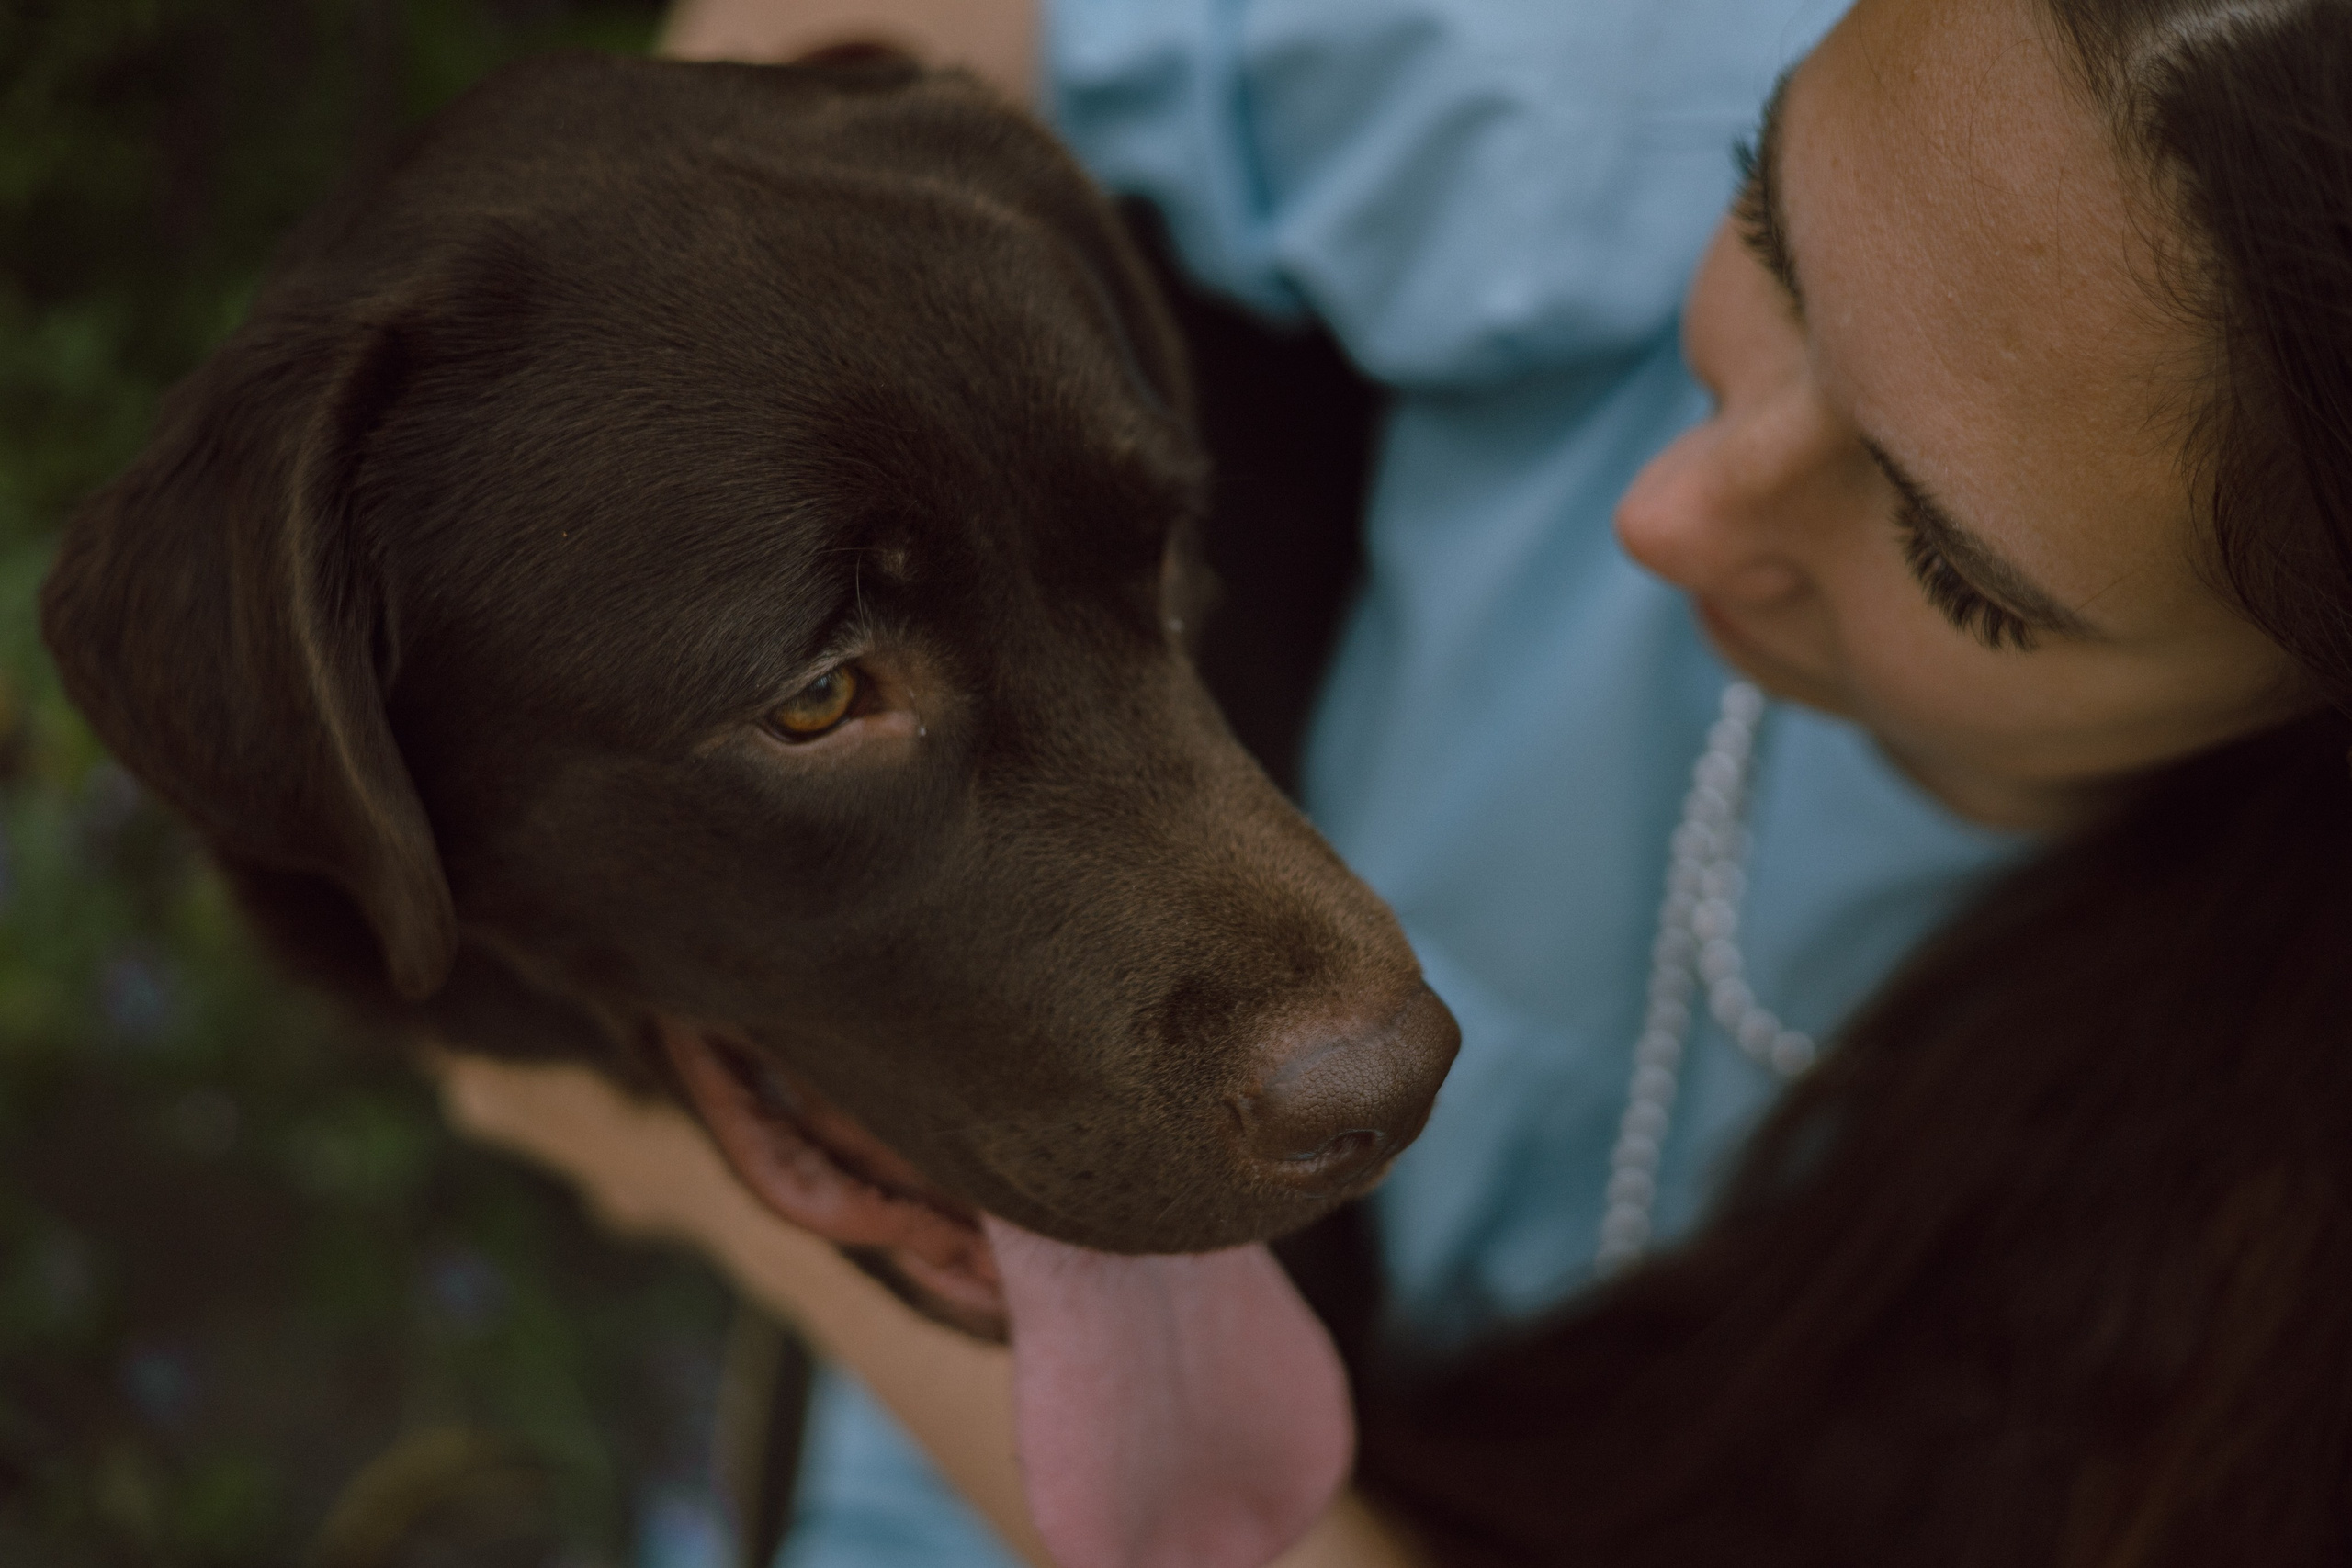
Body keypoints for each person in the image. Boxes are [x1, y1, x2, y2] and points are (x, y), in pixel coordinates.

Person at [447, 0, 2352, 1561]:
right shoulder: (1615, 95)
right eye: (1760, 223)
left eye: (1951, 563)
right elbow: (803, 90)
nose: (1671, 508)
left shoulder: (2258, 1278)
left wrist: (674, 1163)